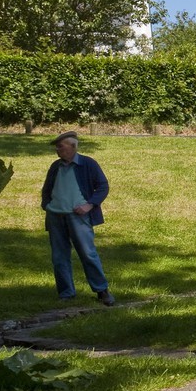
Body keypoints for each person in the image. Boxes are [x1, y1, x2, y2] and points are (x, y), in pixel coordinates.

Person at [40, 131, 115, 306]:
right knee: (59, 256)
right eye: (57, 147)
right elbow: (47, 188)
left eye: (61, 146)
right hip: (55, 216)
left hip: (78, 217)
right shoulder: (55, 166)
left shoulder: (88, 163)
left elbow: (103, 186)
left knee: (88, 253)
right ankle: (66, 294)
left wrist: (89, 205)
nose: (57, 150)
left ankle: (102, 291)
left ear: (73, 147)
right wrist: (47, 205)